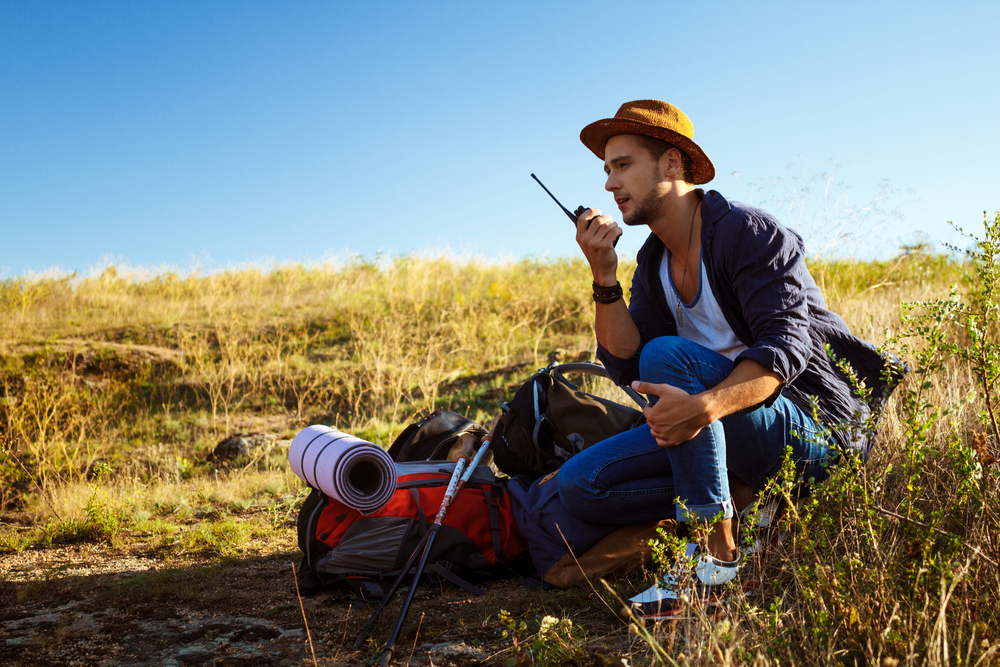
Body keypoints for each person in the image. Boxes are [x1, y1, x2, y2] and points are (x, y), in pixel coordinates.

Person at [556, 99, 901, 617]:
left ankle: (718, 561)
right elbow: (627, 367)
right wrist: (604, 277)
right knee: (579, 484)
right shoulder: (653, 264)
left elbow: (786, 353)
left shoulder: (749, 233)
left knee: (669, 356)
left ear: (672, 164)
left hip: (814, 434)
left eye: (623, 165)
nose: (609, 184)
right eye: (606, 170)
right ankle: (740, 497)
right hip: (725, 427)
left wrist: (703, 408)